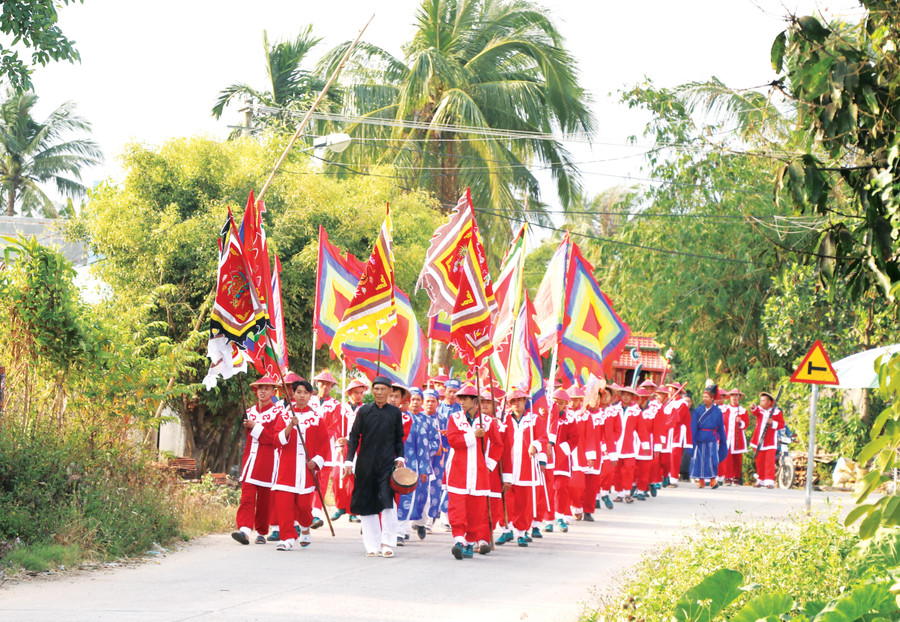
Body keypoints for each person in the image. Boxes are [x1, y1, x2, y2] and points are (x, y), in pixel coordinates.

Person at [343, 376, 406, 557]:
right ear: (372, 391)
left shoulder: (395, 413)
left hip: (387, 465)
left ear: (389, 392)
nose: (379, 392)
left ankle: (386, 543)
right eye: (376, 389)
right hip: (365, 464)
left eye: (383, 389)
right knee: (367, 503)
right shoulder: (364, 411)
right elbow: (354, 437)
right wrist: (349, 460)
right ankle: (372, 545)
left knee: (387, 503)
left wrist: (400, 457)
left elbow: (398, 439)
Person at [445, 383, 503, 559]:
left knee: (476, 510)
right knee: (457, 507)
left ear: (474, 401)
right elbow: (453, 440)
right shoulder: (454, 418)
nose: (461, 402)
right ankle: (459, 540)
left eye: (465, 399)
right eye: (460, 399)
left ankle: (470, 542)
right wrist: (473, 435)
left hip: (479, 474)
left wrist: (489, 465)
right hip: (458, 471)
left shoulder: (488, 421)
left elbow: (498, 444)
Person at [271, 380, 329, 551]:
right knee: (284, 505)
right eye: (298, 392)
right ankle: (287, 538)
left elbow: (324, 446)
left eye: (305, 392)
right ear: (293, 394)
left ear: (310, 395)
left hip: (306, 470)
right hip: (286, 468)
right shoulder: (285, 415)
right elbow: (276, 440)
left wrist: (316, 462)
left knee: (304, 507)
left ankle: (305, 527)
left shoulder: (316, 418)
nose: (302, 395)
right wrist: (290, 425)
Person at [232, 376, 284, 545]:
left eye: (267, 388)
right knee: (247, 495)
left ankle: (261, 531)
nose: (263, 391)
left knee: (264, 498)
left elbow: (274, 438)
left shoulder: (278, 412)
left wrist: (256, 427)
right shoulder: (250, 412)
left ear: (273, 391)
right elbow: (250, 438)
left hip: (268, 459)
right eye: (260, 388)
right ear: (256, 391)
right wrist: (253, 427)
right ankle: (245, 530)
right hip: (250, 458)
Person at [501, 387, 548, 547]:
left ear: (525, 402)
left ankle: (521, 532)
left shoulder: (534, 419)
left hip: (527, 467)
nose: (516, 404)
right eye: (512, 401)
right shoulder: (504, 419)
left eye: (519, 400)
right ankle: (506, 530)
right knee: (506, 501)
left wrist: (535, 445)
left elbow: (543, 438)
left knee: (524, 502)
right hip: (508, 465)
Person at [397, 388, 440, 544]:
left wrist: (424, 466)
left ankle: (419, 524)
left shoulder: (425, 421)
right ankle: (400, 531)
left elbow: (432, 443)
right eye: (411, 399)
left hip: (418, 465)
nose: (414, 403)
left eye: (417, 399)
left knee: (420, 498)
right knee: (401, 498)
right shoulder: (397, 418)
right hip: (396, 465)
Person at [331, 378, 367, 523]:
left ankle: (353, 509)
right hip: (342, 445)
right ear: (349, 393)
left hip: (358, 446)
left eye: (361, 393)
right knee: (337, 476)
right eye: (356, 392)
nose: (358, 395)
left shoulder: (365, 410)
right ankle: (340, 506)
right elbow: (335, 426)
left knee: (355, 478)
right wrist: (339, 441)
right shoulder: (341, 408)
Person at [310, 370, 341, 528]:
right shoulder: (309, 401)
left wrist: (320, 438)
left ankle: (316, 513)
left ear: (332, 386)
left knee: (321, 481)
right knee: (307, 478)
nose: (325, 387)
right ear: (317, 384)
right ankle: (302, 512)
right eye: (322, 383)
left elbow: (333, 427)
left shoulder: (335, 405)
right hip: (307, 445)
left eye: (328, 384)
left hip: (325, 448)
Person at [689, 385, 728, 488]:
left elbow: (720, 427)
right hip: (700, 437)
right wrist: (692, 439)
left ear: (712, 398)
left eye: (707, 397)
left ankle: (713, 480)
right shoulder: (698, 410)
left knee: (712, 459)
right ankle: (701, 481)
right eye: (703, 397)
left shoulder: (717, 411)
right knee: (700, 460)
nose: (704, 399)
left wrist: (721, 438)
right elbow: (693, 426)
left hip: (712, 437)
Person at [749, 390, 785, 488]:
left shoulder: (776, 412)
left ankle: (769, 481)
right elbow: (755, 411)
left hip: (770, 441)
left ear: (769, 402)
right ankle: (760, 480)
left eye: (764, 401)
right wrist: (753, 407)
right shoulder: (760, 410)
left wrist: (772, 423)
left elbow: (781, 425)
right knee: (759, 461)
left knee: (769, 462)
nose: (762, 403)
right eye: (761, 401)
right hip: (758, 441)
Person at [719, 389, 749, 485]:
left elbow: (746, 424)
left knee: (737, 457)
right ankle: (728, 477)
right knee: (727, 457)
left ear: (739, 398)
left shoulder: (743, 410)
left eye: (737, 396)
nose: (734, 398)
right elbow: (721, 421)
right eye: (732, 396)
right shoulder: (725, 409)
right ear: (730, 397)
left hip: (738, 437)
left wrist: (741, 422)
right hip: (727, 436)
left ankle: (737, 477)